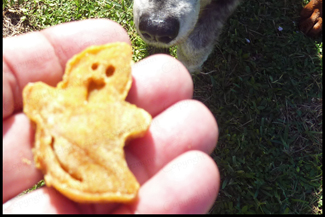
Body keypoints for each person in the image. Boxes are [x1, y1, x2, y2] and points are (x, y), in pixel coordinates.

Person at [3, 19, 219, 213]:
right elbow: (38, 98)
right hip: (65, 152)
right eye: (96, 68)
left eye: (108, 73)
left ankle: (114, 181)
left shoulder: (118, 112)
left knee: (108, 167)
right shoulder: (60, 101)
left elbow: (136, 120)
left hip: (100, 160)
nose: (99, 76)